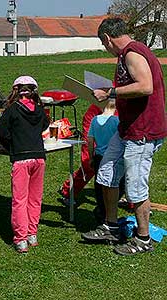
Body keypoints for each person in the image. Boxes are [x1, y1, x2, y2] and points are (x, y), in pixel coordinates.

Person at [81, 17, 167, 255]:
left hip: (142, 131)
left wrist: (111, 92)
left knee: (136, 185)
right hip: (126, 128)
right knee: (106, 172)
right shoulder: (126, 55)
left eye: (103, 43)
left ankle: (143, 238)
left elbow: (145, 85)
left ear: (107, 38)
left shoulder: (132, 52)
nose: (104, 48)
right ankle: (111, 225)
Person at [0, 76, 49, 253]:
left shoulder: (11, 110)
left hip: (21, 158)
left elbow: (2, 133)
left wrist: (13, 144)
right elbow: (44, 126)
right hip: (39, 158)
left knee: (20, 200)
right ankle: (32, 233)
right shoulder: (40, 110)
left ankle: (20, 239)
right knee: (35, 198)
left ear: (15, 91)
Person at [58, 104, 102, 203]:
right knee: (89, 165)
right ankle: (68, 191)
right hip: (95, 122)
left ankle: (133, 201)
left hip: (113, 126)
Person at [87, 99, 120, 224]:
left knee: (99, 184)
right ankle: (109, 210)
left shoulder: (94, 120)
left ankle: (101, 209)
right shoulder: (116, 121)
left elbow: (90, 140)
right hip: (113, 156)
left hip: (98, 156)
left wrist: (90, 156)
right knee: (112, 184)